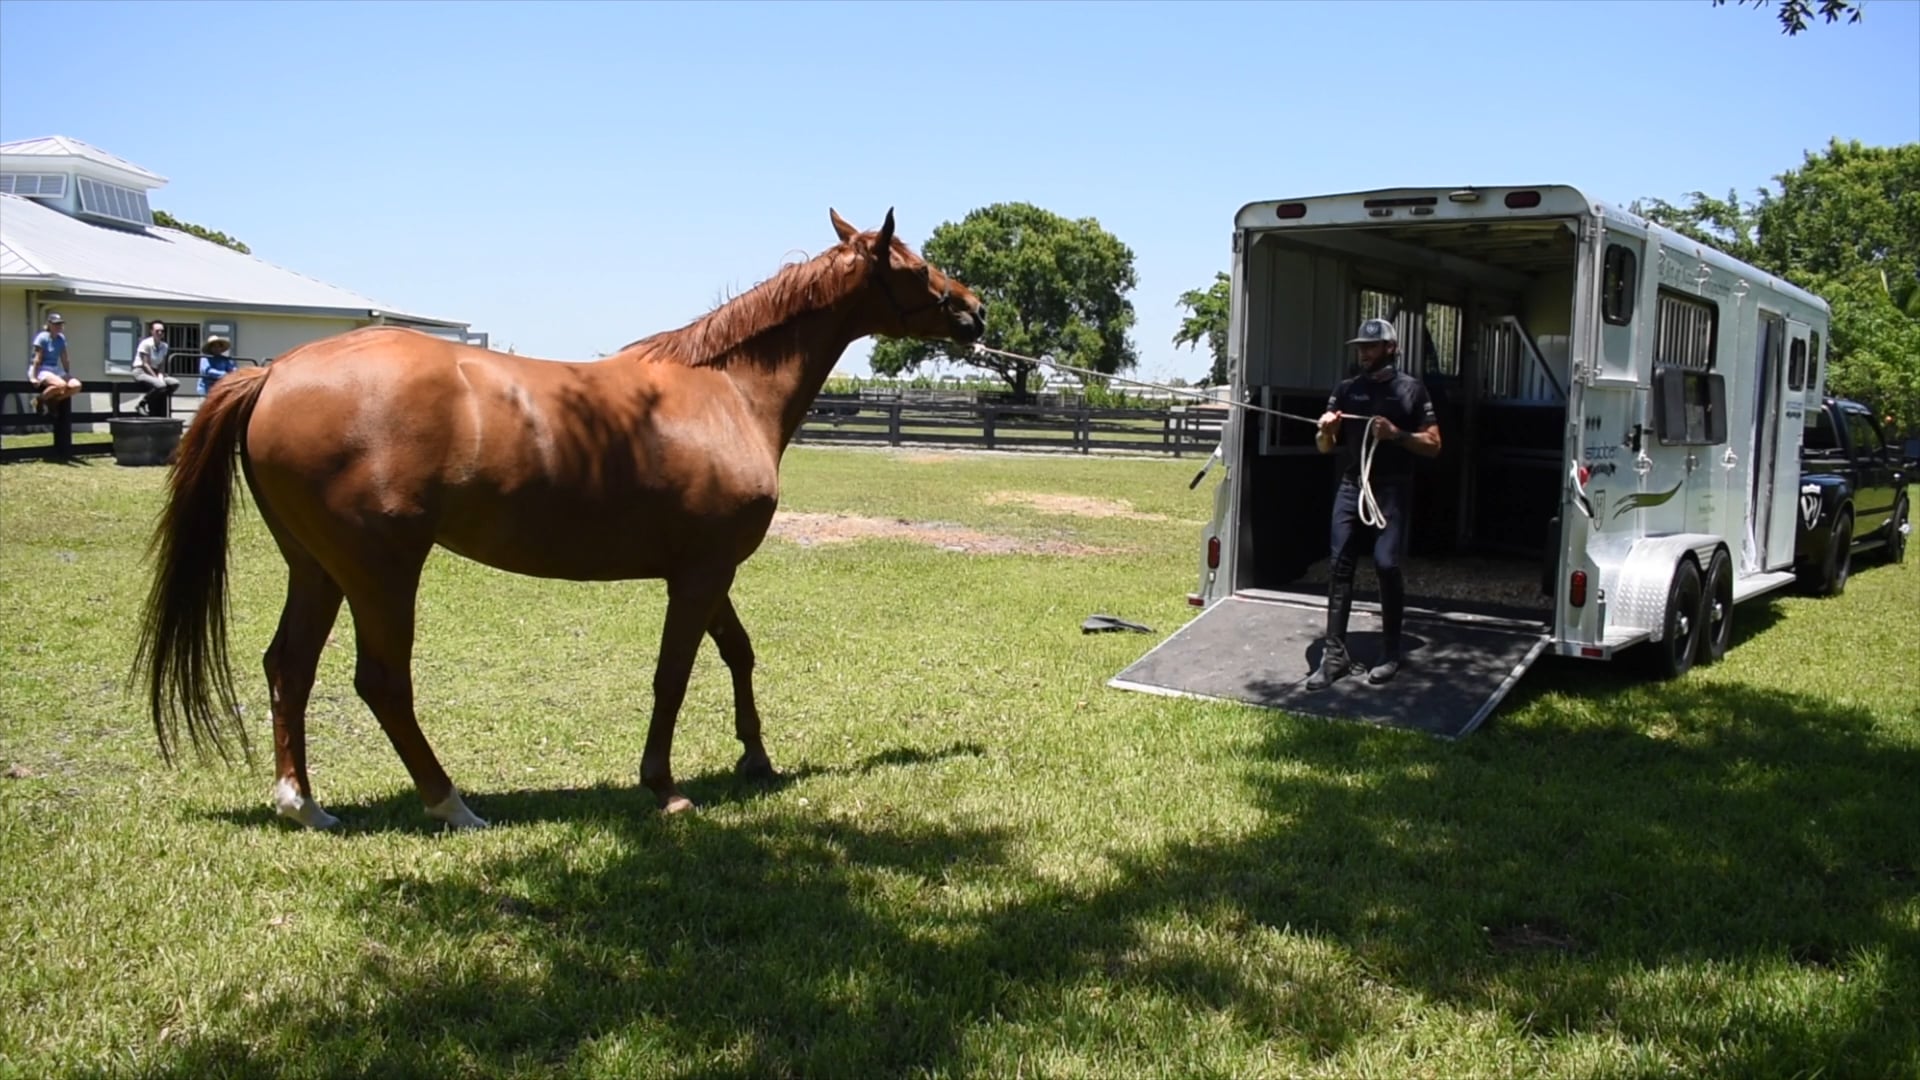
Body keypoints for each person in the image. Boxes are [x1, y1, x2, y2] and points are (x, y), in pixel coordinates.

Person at [1307, 318, 1443, 689]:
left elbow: (1434, 445)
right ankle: (1333, 657)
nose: (1363, 353)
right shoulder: (1346, 390)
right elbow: (1324, 447)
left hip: (1391, 489)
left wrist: (1396, 434)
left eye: (1371, 346)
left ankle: (1390, 652)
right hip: (1352, 486)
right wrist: (1326, 431)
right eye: (1360, 348)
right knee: (1339, 566)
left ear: (1390, 348)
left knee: (1385, 564)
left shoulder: (1411, 390)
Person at [28, 312, 82, 410]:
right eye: (56, 324)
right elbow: (37, 359)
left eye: (60, 324)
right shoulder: (42, 337)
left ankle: (54, 401)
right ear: (49, 324)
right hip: (41, 368)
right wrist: (34, 377)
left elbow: (65, 358)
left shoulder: (61, 338)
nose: (59, 326)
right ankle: (38, 400)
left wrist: (67, 374)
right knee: (61, 385)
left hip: (54, 369)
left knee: (76, 386)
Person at [131, 321, 180, 416]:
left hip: (155, 371)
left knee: (175, 383)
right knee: (160, 385)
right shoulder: (146, 344)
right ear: (152, 331)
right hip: (141, 371)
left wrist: (160, 375)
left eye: (162, 331)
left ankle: (157, 400)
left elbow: (161, 364)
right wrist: (156, 378)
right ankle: (142, 403)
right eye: (157, 331)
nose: (160, 333)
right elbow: (145, 364)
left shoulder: (164, 346)